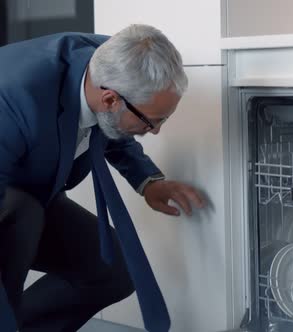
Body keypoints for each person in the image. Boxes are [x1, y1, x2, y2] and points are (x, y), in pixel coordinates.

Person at [0, 24, 206, 332]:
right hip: (10, 193)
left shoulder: (115, 63)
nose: (157, 131)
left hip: (33, 189)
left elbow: (113, 125)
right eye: (152, 122)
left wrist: (148, 181)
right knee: (21, 226)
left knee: (111, 272)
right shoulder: (17, 97)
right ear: (109, 99)